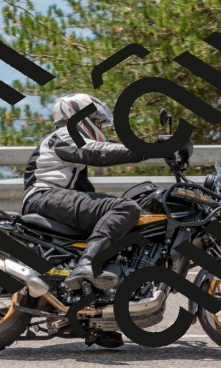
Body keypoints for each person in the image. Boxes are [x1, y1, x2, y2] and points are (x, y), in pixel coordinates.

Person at [21, 93, 148, 291]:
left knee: (112, 215)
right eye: (96, 121)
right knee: (125, 208)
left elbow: (89, 186)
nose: (99, 126)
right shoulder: (64, 135)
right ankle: (87, 264)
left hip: (51, 199)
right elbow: (97, 151)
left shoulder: (71, 154)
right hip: (44, 196)